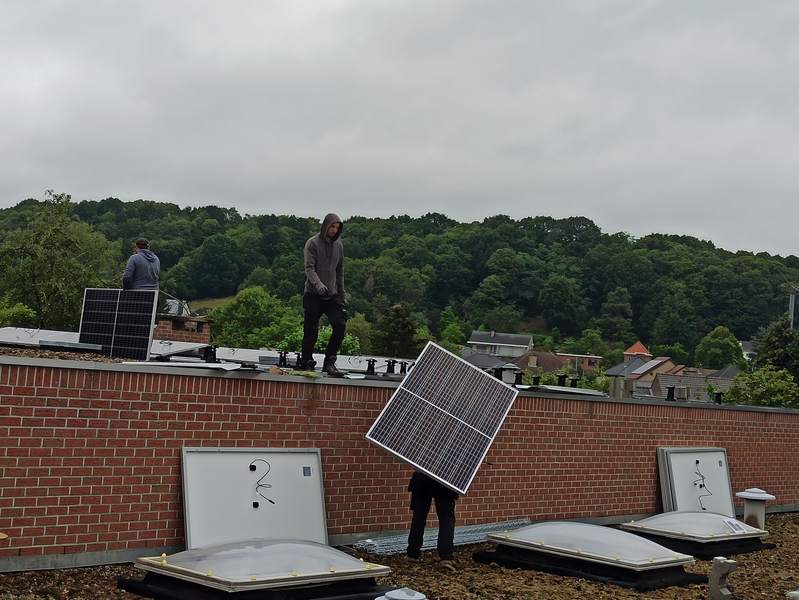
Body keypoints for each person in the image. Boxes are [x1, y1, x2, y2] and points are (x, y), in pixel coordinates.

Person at [300, 214, 347, 375]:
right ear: (326, 226)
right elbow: (309, 268)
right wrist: (318, 284)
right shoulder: (312, 243)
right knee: (311, 329)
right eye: (332, 226)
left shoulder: (339, 246)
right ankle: (306, 360)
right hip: (313, 294)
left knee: (340, 325)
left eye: (337, 228)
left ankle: (329, 362)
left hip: (332, 295)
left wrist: (342, 294)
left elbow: (339, 271)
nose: (334, 230)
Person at [406, 471, 459, 573]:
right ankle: (446, 557)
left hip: (423, 476)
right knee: (446, 518)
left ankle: (412, 553)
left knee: (419, 516)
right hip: (445, 478)